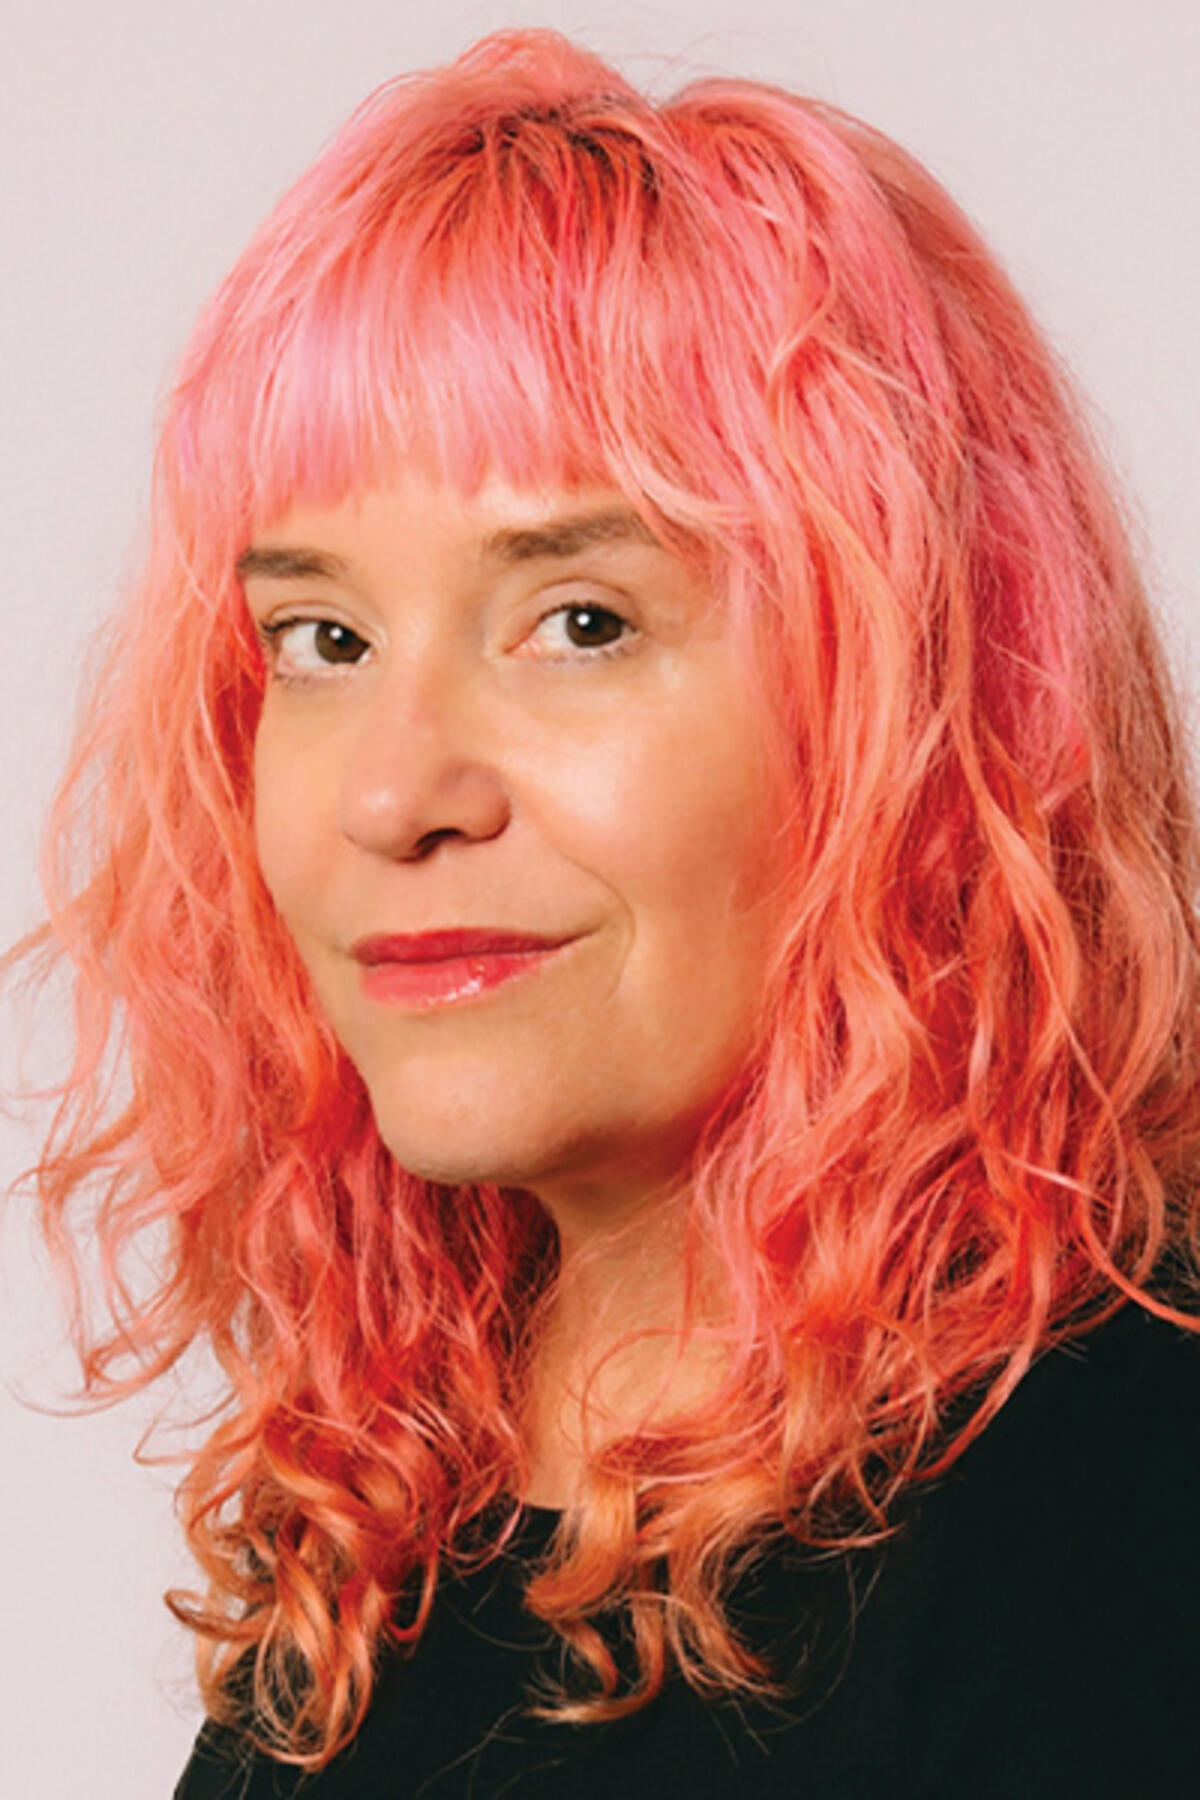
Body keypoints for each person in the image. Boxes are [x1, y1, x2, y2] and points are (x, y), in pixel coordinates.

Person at [7, 24, 1200, 1798]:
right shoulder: (396, 1514)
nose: (395, 794)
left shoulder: (1113, 1525)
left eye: (580, 620)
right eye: (323, 641)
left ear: (916, 698)